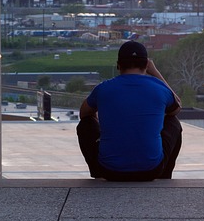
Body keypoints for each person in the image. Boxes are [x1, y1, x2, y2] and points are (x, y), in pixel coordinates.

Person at [77, 41, 182, 181]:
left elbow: (84, 114)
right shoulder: (159, 87)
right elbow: (176, 108)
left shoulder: (103, 89)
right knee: (173, 121)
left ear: (118, 65)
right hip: (151, 171)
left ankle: (97, 172)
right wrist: (155, 72)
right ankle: (164, 177)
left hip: (109, 171)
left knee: (85, 124)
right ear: (146, 65)